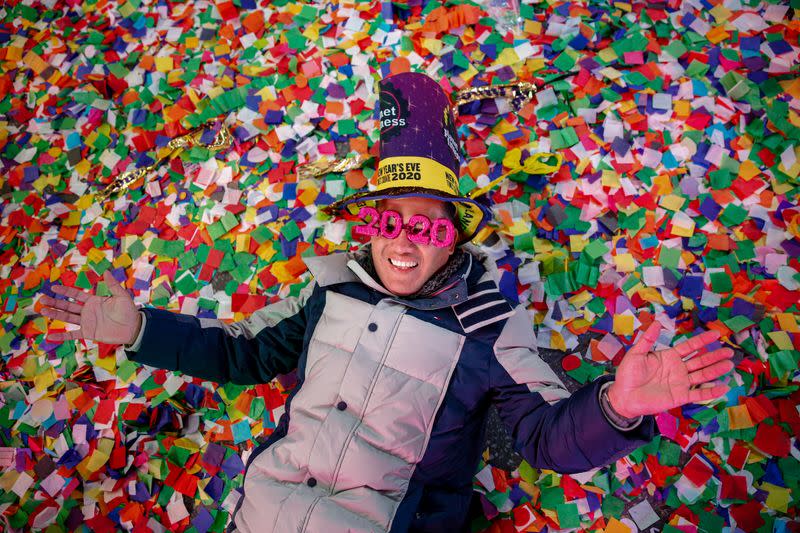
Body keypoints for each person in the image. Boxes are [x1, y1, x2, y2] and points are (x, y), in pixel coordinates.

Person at [40, 72, 734, 533]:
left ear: (455, 235)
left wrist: (614, 407)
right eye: (385, 222)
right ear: (367, 225)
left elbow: (542, 436)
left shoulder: (490, 329)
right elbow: (243, 352)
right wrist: (141, 330)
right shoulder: (329, 286)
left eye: (427, 226)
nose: (402, 245)